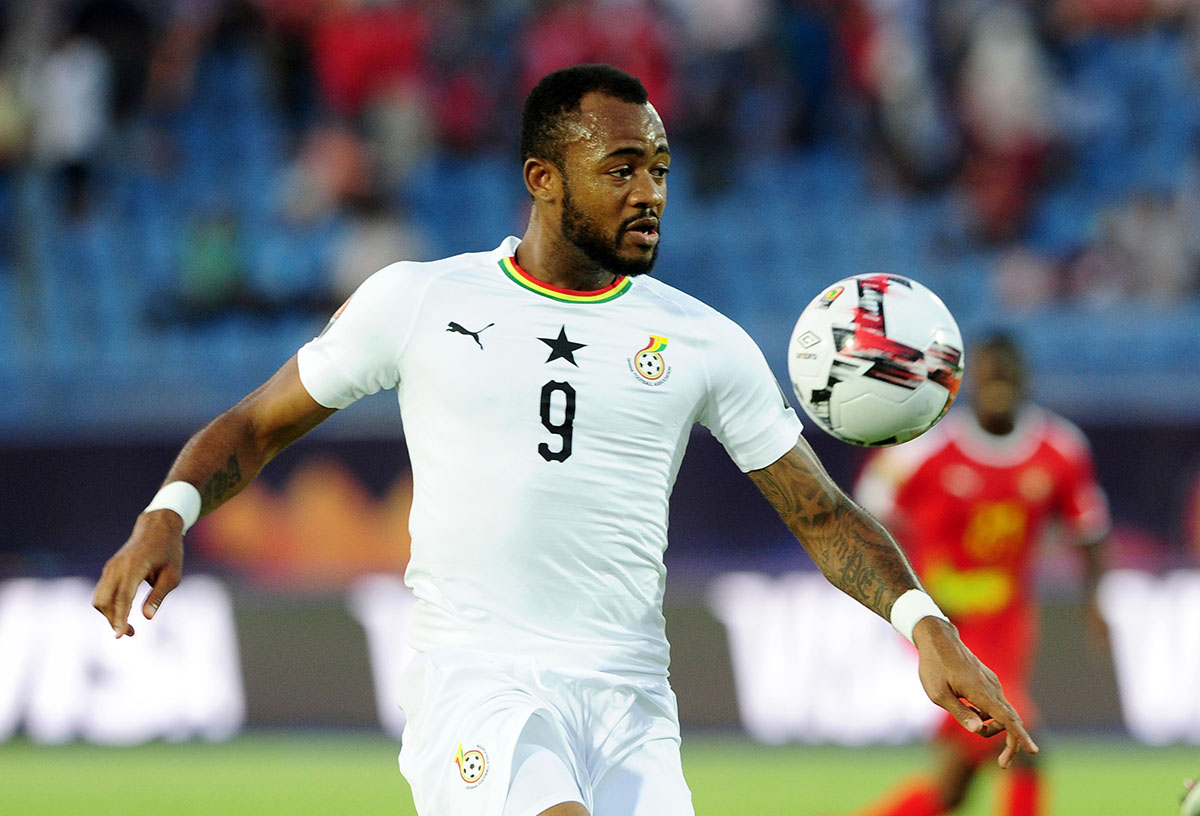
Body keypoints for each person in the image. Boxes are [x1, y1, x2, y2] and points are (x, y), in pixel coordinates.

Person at [92, 64, 1035, 816]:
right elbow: (257, 424)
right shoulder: (422, 300)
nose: (649, 192)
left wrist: (929, 629)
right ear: (543, 180)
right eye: (621, 169)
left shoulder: (703, 341)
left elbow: (820, 513)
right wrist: (167, 513)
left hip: (631, 703)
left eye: (659, 169)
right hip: (478, 683)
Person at [848, 333, 1110, 816]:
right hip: (943, 628)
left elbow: (1088, 529)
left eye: (1008, 375)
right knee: (1021, 746)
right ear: (968, 383)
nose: (999, 385)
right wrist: (904, 591)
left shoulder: (1060, 449)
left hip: (1009, 628)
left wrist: (1094, 602)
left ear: (1026, 380)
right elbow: (864, 512)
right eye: (990, 376)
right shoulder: (923, 449)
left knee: (952, 788)